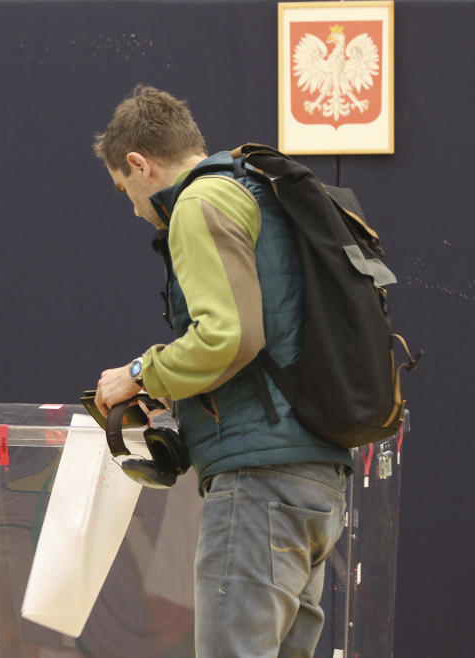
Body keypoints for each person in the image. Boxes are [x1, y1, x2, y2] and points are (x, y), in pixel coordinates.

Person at [91, 85, 354, 658]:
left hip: (258, 483)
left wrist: (139, 374)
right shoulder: (258, 192)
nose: (134, 207)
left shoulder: (198, 204)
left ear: (139, 163)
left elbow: (226, 336)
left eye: (124, 189)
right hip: (316, 480)